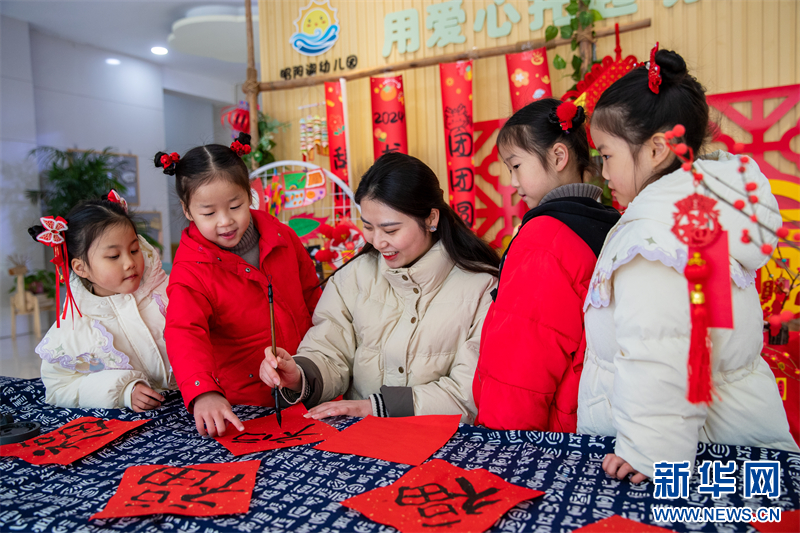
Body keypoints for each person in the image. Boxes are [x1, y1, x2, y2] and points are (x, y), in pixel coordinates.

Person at [577, 47, 799, 483]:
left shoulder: (654, 239)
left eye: (607, 155)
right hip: (731, 441)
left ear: (657, 148)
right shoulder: (696, 217)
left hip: (689, 458)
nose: (603, 172)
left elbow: (662, 350)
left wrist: (648, 451)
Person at [260, 152, 499, 423]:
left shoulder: (482, 288)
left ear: (431, 218)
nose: (377, 241)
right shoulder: (353, 277)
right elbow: (329, 350)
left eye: (390, 230)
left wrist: (377, 407)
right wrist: (300, 375)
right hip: (362, 439)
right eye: (368, 227)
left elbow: (468, 392)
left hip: (445, 441)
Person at [472, 98, 620, 432]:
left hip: (542, 437)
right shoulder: (610, 224)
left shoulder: (544, 238)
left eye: (516, 166)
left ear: (557, 156)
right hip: (593, 422)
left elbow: (520, 364)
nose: (512, 182)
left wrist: (503, 444)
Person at [161, 135, 321, 437]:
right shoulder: (190, 270)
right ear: (187, 210)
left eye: (235, 206)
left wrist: (325, 361)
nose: (225, 221)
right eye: (209, 213)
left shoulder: (282, 237)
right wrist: (204, 392)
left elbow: (314, 300)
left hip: (307, 381)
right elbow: (184, 332)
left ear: (249, 196)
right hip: (247, 405)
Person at [31, 191, 175, 412]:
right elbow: (59, 387)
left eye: (134, 250)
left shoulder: (171, 291)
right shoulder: (75, 328)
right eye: (114, 256)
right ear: (81, 268)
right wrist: (123, 391)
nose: (130, 262)